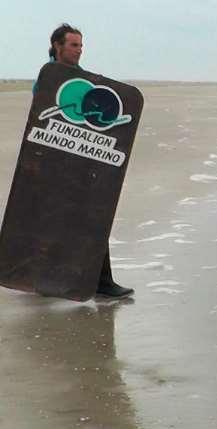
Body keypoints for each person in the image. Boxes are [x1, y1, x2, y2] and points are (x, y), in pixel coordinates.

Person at [41, 23, 134, 299]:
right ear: (57, 46)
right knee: (61, 222)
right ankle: (51, 279)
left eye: (81, 45)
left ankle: (101, 280)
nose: (79, 50)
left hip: (82, 164)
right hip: (57, 165)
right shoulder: (50, 79)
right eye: (74, 45)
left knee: (93, 218)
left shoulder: (83, 80)